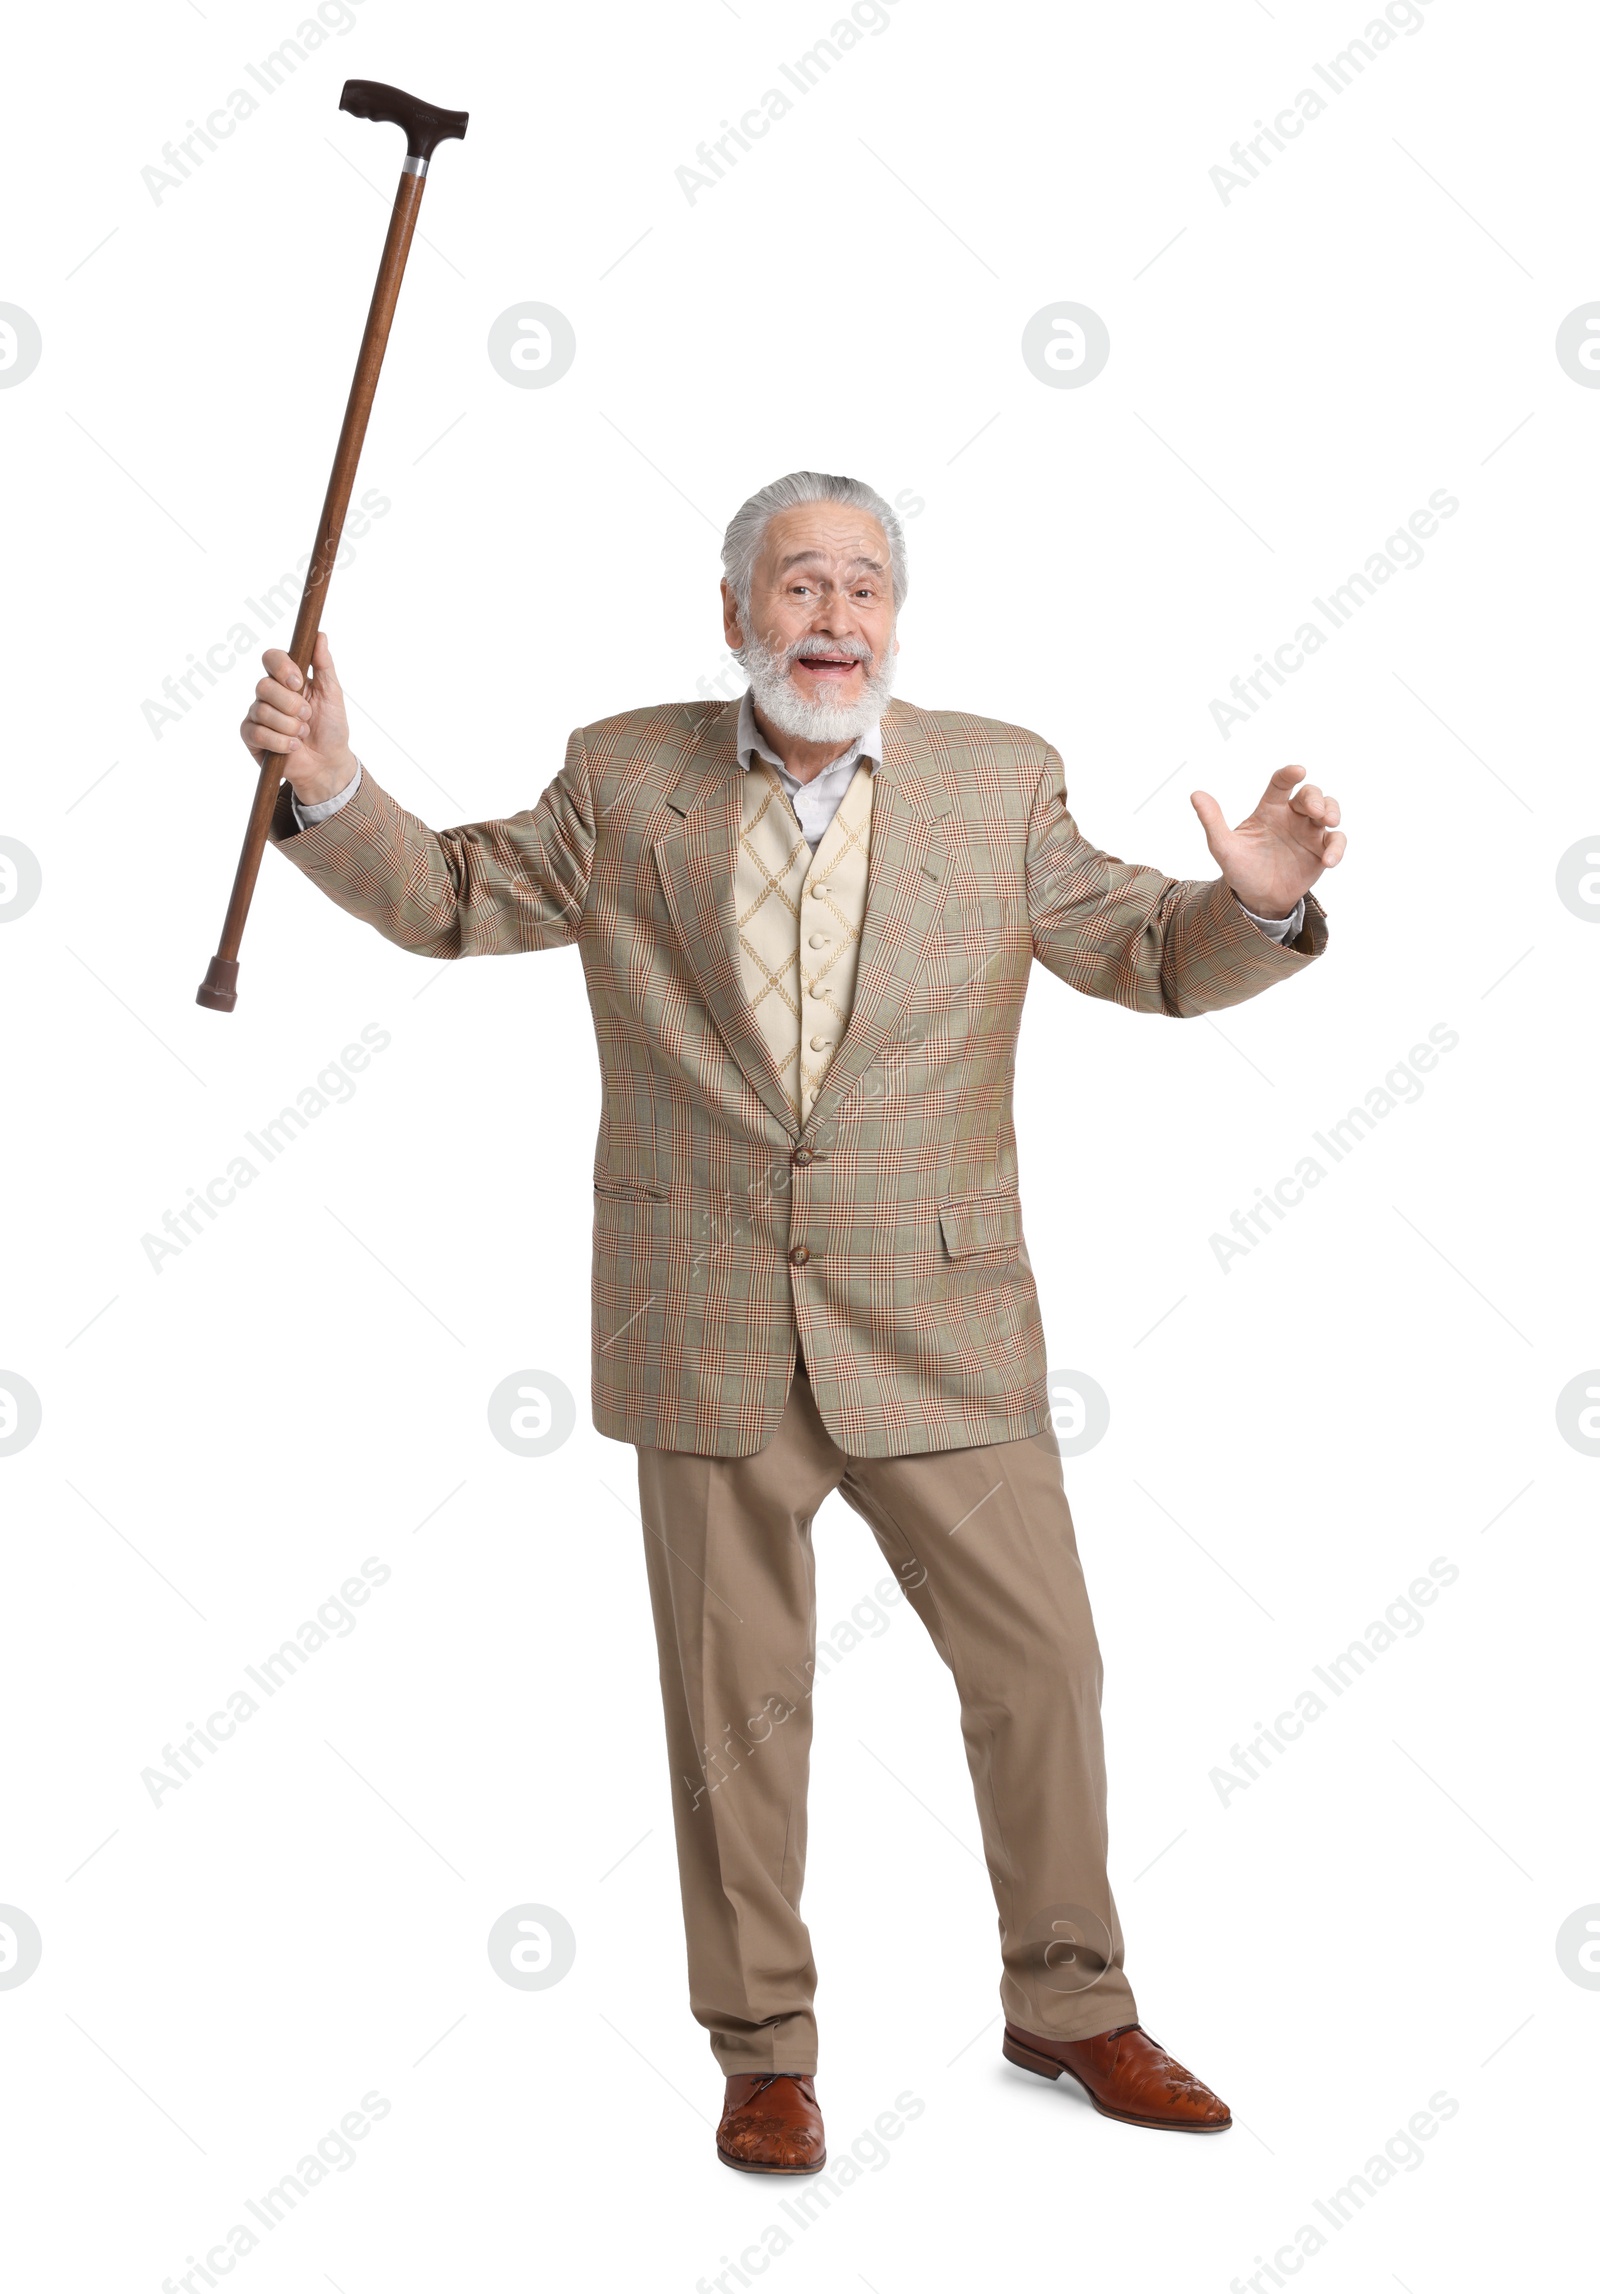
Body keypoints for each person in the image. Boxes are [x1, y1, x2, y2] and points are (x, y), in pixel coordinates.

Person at [240, 469, 1343, 2171]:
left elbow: (1145, 949)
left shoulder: (998, 779)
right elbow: (456, 896)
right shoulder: (626, 775)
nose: (834, 618)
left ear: (898, 618)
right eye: (799, 585)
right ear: (736, 613)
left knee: (1042, 1663)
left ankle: (1071, 2003)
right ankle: (764, 2045)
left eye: (865, 586)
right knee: (734, 1701)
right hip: (704, 1315)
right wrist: (328, 787)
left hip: (943, 1318)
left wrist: (1252, 901)